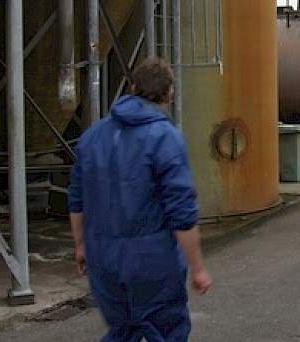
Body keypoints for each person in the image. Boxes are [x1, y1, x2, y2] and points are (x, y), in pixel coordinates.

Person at [68, 57, 212, 342]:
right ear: (170, 93)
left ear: (133, 87)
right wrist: (198, 268)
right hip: (152, 261)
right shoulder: (165, 138)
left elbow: (76, 198)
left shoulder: (92, 137)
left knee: (122, 330)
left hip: (104, 259)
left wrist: (81, 246)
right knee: (167, 330)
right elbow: (182, 213)